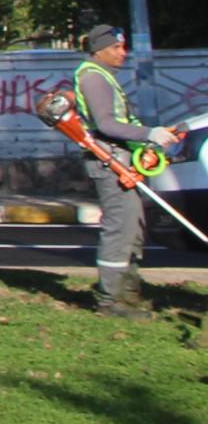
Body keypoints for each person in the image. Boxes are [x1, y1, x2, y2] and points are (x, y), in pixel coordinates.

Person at [74, 24, 190, 316]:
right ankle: (110, 302)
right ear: (99, 49)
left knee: (133, 227)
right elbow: (105, 124)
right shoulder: (93, 77)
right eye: (116, 47)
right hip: (109, 162)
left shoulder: (103, 76)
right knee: (119, 229)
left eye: (123, 47)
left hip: (122, 161)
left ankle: (129, 292)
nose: (122, 53)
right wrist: (150, 133)